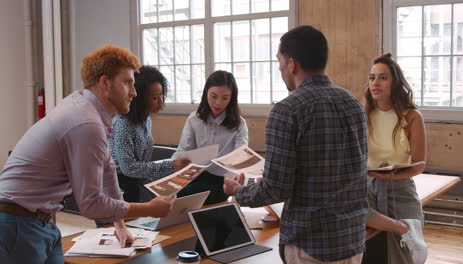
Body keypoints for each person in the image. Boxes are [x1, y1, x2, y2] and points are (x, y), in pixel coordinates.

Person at [0, 44, 175, 263]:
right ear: (105, 82)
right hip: (17, 221)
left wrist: (119, 225)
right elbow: (91, 204)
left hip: (39, 221)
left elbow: (108, 171)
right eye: (127, 83)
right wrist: (149, 209)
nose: (134, 92)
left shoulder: (86, 108)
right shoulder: (86, 123)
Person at [223, 25, 368, 263]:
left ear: (292, 64)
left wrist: (238, 193)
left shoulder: (287, 110)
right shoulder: (353, 104)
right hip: (351, 241)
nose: (279, 68)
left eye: (279, 60)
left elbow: (276, 189)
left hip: (310, 244)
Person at [364, 53, 427, 264]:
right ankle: (406, 228)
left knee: (401, 257)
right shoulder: (362, 113)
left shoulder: (412, 116)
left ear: (395, 82)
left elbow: (419, 164)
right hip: (368, 188)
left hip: (399, 187)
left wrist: (393, 176)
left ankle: (409, 228)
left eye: (383, 77)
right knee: (370, 251)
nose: (375, 83)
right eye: (372, 77)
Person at [109, 65, 190, 203]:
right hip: (118, 186)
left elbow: (142, 165)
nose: (160, 102)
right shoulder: (123, 124)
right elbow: (128, 168)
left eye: (161, 96)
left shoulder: (146, 119)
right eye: (154, 98)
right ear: (139, 98)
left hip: (135, 183)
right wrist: (170, 166)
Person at [172, 70, 248, 205]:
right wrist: (170, 171)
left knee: (181, 196)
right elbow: (183, 151)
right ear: (206, 92)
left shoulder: (239, 124)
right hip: (194, 175)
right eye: (213, 96)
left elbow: (240, 159)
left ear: (232, 98)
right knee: (170, 193)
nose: (218, 103)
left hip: (221, 180)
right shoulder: (194, 119)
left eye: (225, 98)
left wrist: (237, 186)